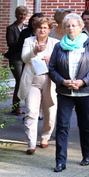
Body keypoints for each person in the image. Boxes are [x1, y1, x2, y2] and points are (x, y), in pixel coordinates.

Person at [49, 13, 89, 173]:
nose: (71, 28)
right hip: (65, 92)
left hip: (85, 92)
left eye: (74, 25)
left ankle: (87, 155)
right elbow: (52, 68)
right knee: (62, 127)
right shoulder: (59, 46)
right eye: (68, 25)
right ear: (64, 28)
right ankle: (60, 161)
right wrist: (63, 81)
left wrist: (82, 81)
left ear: (81, 27)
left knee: (85, 126)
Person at [19, 17, 59, 154]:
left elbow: (62, 61)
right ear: (35, 29)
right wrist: (34, 51)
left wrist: (51, 59)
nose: (42, 30)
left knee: (50, 112)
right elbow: (24, 58)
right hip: (32, 81)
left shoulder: (55, 43)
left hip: (49, 81)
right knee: (31, 111)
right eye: (40, 27)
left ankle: (45, 137)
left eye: (45, 27)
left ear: (49, 29)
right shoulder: (28, 41)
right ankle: (31, 143)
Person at [5, 6, 29, 115]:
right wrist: (23, 42)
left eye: (24, 15)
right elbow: (10, 43)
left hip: (26, 58)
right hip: (16, 58)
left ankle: (27, 105)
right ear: (16, 15)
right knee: (19, 81)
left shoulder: (27, 27)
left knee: (26, 81)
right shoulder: (11, 28)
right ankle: (16, 106)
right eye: (20, 14)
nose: (22, 17)